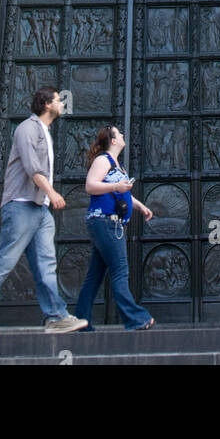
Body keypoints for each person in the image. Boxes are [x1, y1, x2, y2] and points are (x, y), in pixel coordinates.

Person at [0, 86, 86, 335]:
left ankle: (56, 316)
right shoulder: (27, 128)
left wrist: (46, 199)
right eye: (59, 100)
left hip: (39, 209)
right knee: (5, 261)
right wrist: (52, 192)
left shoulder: (45, 132)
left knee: (46, 265)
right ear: (47, 104)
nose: (62, 104)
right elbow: (31, 166)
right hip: (21, 205)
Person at [74, 125, 155, 331]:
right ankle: (135, 318)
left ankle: (81, 321)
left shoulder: (117, 165)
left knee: (95, 275)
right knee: (120, 271)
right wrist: (116, 187)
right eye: (119, 133)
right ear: (112, 141)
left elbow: (123, 192)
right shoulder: (103, 160)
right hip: (106, 222)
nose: (122, 135)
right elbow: (91, 185)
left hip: (108, 223)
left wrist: (140, 206)